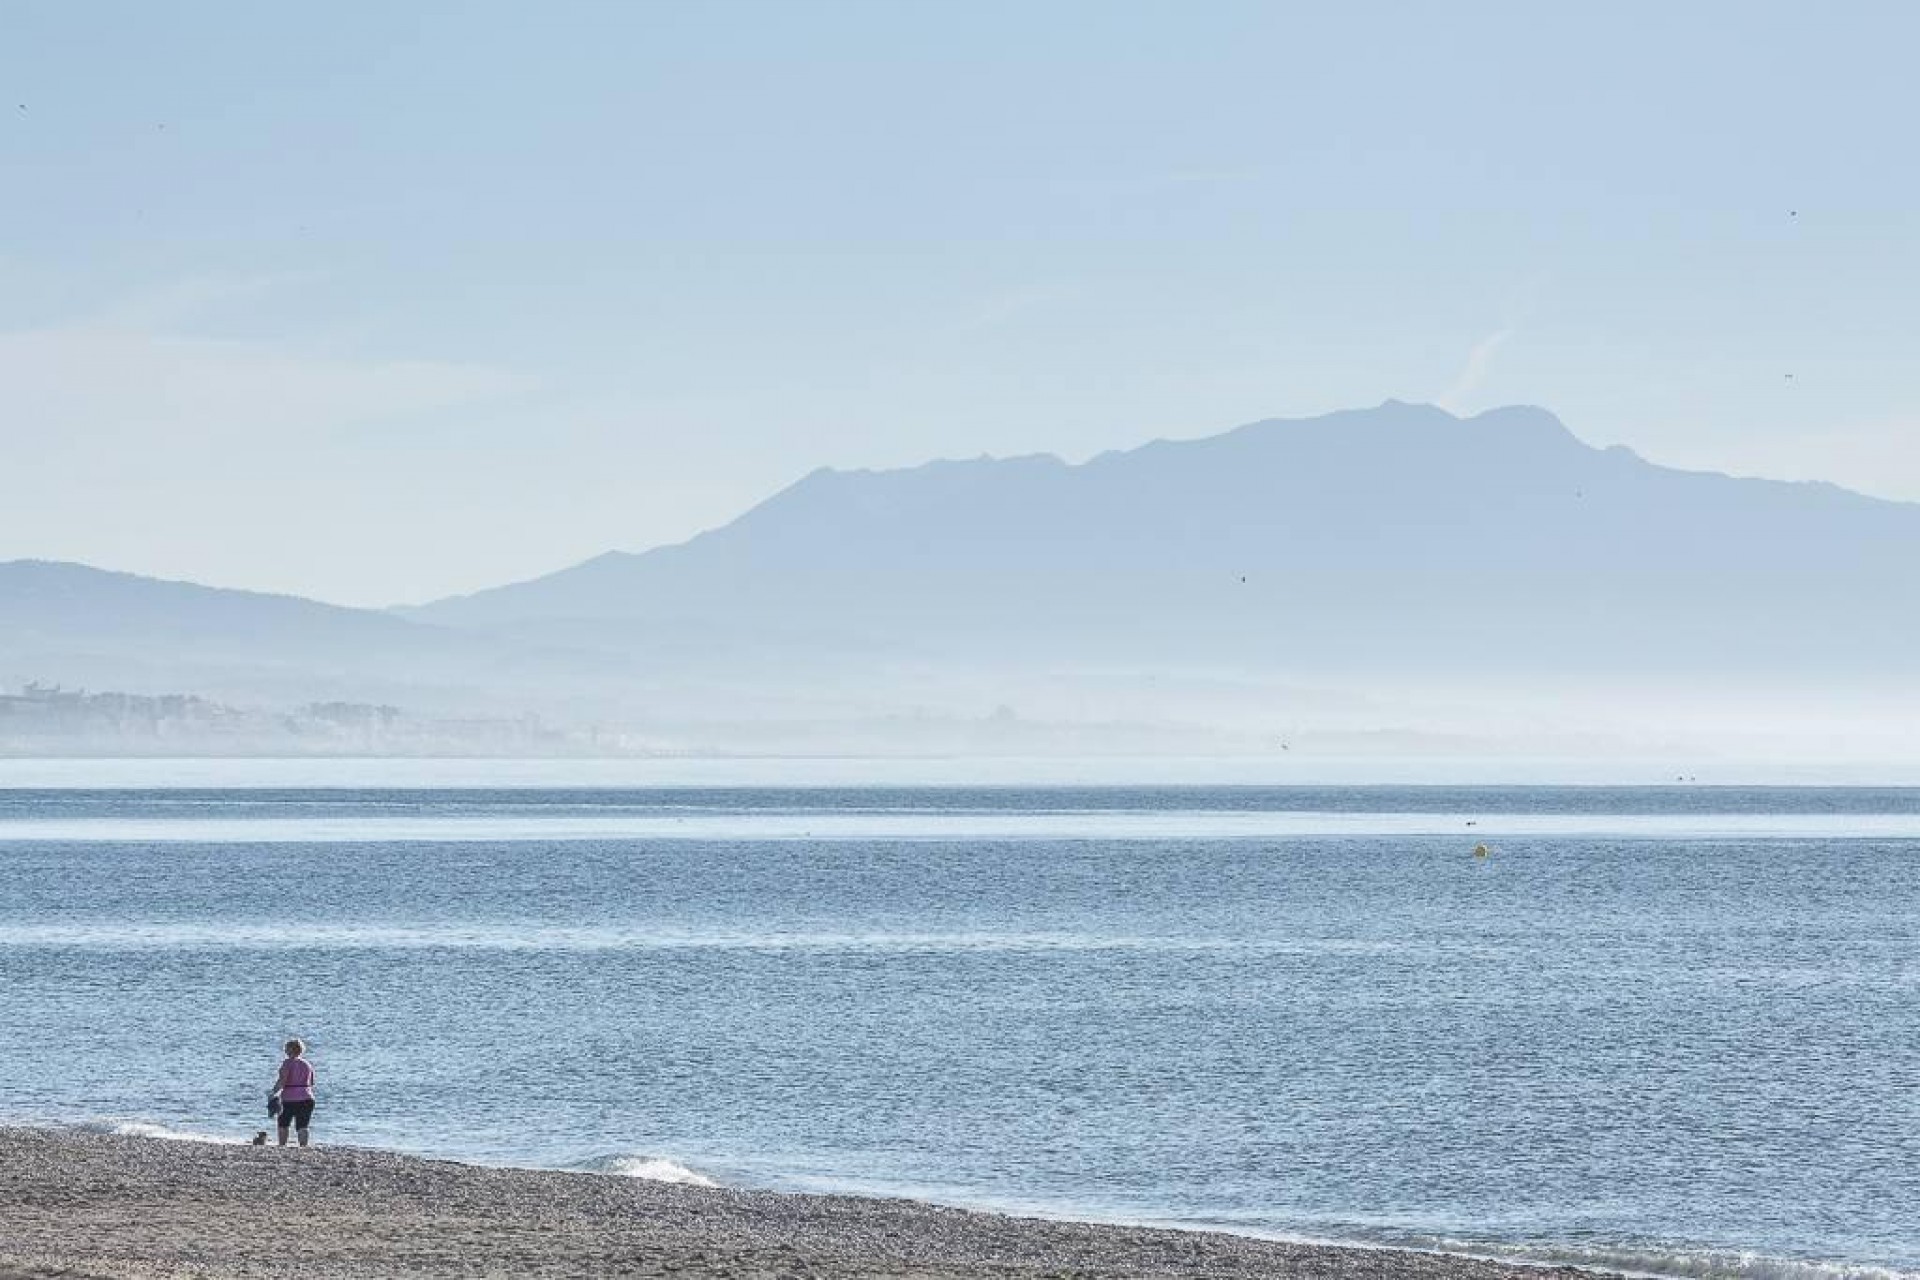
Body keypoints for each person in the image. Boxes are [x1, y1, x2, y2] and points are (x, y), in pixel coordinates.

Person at [271, 1038, 317, 1147]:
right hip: (307, 1097)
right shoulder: (307, 1064)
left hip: (289, 1098)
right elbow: (312, 1082)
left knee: (283, 1123)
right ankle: (303, 1147)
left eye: (286, 1048)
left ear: (290, 1050)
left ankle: (282, 1146)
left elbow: (283, 1081)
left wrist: (273, 1092)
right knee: (303, 1125)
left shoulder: (287, 1063)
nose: (284, 1050)